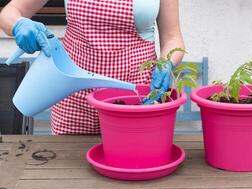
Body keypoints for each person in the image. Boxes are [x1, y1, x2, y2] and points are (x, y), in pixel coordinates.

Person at [0, 0, 185, 135]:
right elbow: (10, 11)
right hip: (73, 97)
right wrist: (19, 24)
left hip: (135, 97)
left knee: (136, 169)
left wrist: (166, 63)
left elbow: (172, 38)